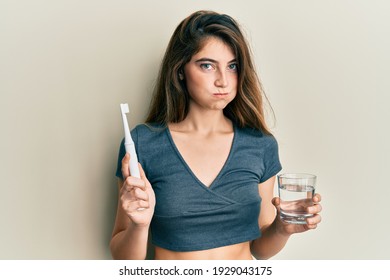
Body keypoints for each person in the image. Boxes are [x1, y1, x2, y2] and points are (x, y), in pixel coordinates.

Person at [110, 10, 322, 260]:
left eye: (232, 66)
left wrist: (282, 228)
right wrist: (139, 225)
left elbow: (260, 249)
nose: (223, 80)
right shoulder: (142, 144)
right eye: (207, 65)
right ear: (180, 70)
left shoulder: (260, 145)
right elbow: (123, 259)